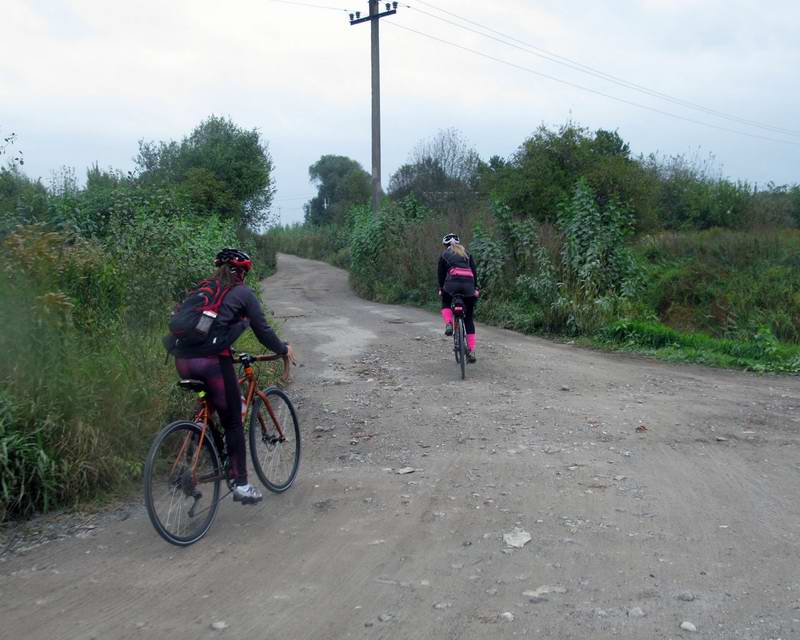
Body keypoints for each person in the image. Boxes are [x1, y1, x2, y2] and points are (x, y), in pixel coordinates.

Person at [170, 248, 295, 505]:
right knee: (234, 422)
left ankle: (190, 455)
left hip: (182, 361)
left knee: (209, 401)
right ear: (244, 273)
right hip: (212, 363)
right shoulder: (243, 294)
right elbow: (263, 331)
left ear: (219, 270)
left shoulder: (203, 290)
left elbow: (205, 329)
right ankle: (242, 485)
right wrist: (283, 349)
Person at [438, 233, 479, 363]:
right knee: (468, 318)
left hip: (452, 285)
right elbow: (474, 272)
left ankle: (449, 324)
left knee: (445, 303)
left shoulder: (444, 255)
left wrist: (441, 289)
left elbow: (441, 275)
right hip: (469, 286)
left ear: (445, 246)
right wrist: (476, 289)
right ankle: (471, 351)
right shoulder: (467, 254)